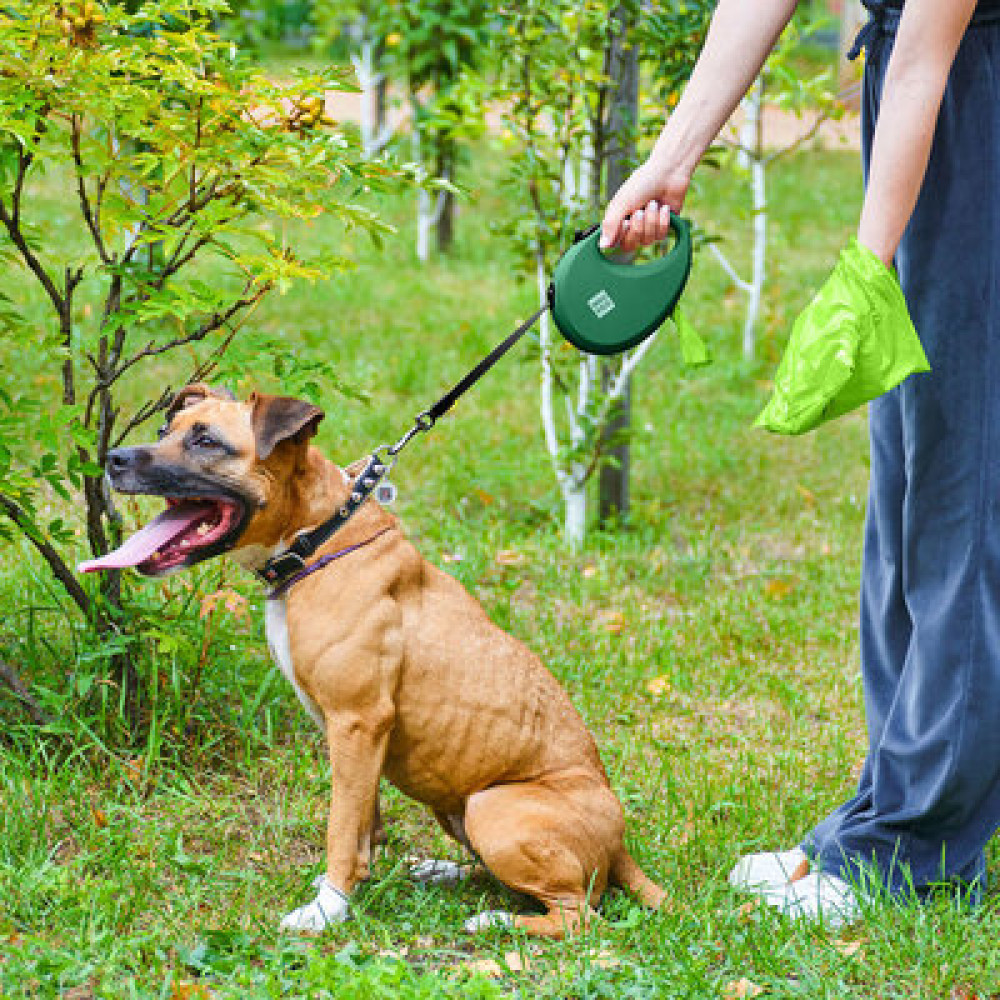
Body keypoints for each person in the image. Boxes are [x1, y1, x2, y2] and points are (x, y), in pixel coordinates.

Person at [602, 0, 1000, 924]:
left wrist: (864, 273)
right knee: (908, 484)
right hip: (917, 92)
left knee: (965, 485)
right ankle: (890, 806)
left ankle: (919, 849)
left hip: (969, 98)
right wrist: (670, 160)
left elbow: (926, 62)